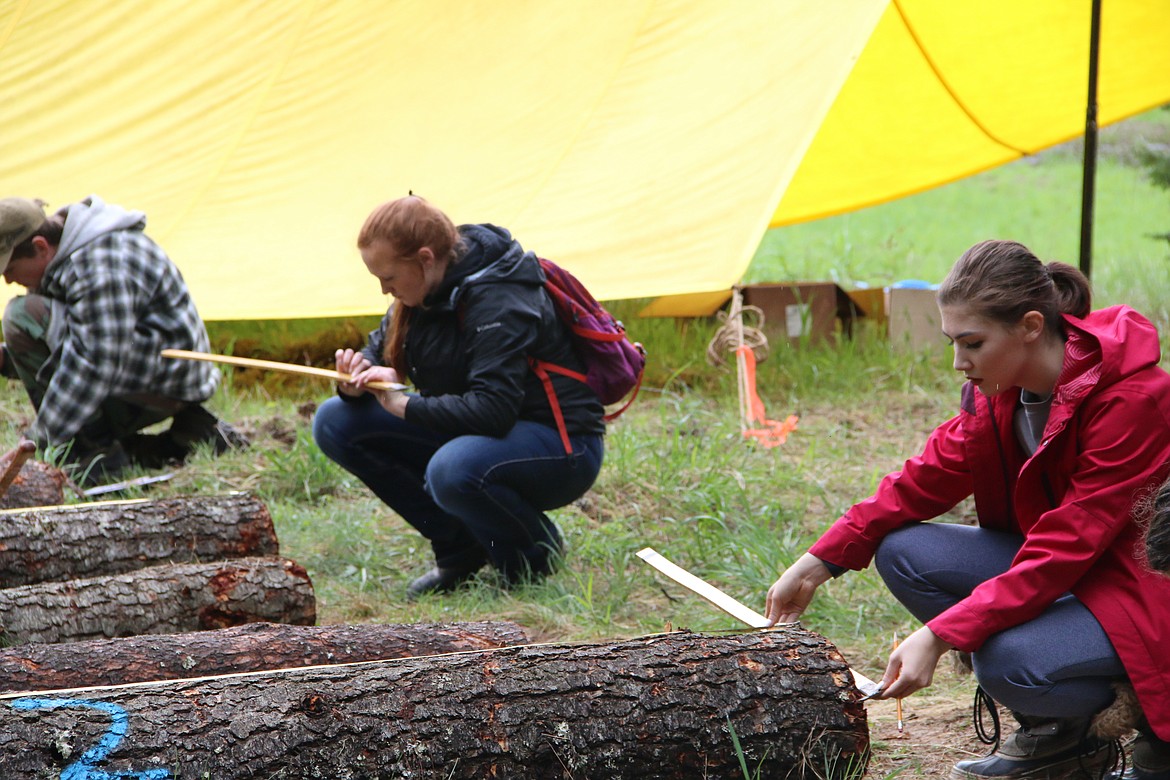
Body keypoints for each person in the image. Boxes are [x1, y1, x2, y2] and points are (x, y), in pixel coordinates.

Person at [763, 239, 1170, 780]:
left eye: (972, 343)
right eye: (953, 342)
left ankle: (1157, 734)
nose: (959, 363)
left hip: (1140, 592)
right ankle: (1061, 740)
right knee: (906, 551)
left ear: (1029, 326)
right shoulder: (999, 389)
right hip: (1073, 575)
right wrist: (820, 560)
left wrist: (942, 633)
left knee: (1007, 660)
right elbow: (924, 477)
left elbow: (1066, 547)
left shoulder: (1135, 400)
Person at [312, 195, 606, 598]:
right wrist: (359, 374)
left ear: (426, 258)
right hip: (479, 432)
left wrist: (405, 405)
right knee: (335, 421)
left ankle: (532, 553)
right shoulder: (416, 292)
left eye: (389, 277)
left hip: (559, 444)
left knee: (451, 469)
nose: (384, 290)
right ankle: (461, 549)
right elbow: (377, 349)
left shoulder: (499, 295)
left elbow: (493, 410)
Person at [0, 195, 245, 484]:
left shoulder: (97, 264)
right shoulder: (64, 257)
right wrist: (6, 360)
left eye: (10, 270)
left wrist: (33, 443)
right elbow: (75, 346)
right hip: (139, 366)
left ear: (40, 246)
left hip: (171, 377)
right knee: (27, 319)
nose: (7, 280)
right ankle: (188, 437)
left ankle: (94, 457)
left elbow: (93, 363)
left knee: (22, 315)